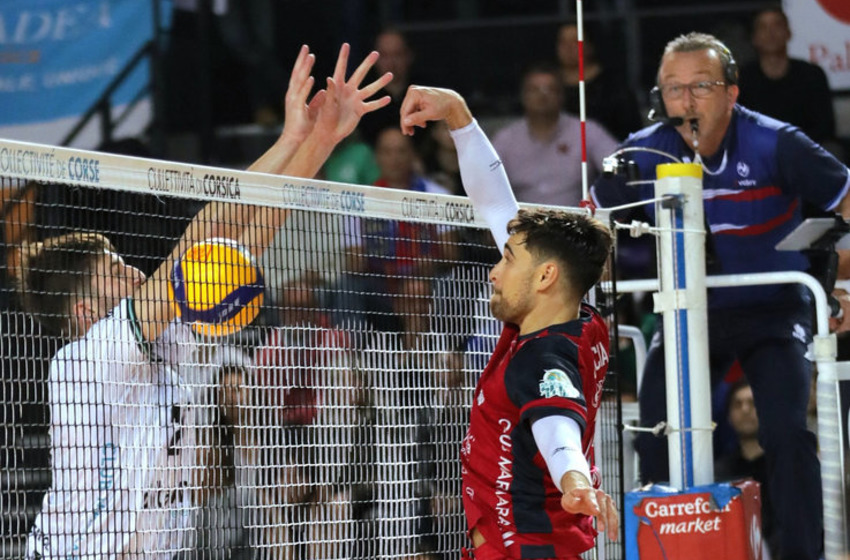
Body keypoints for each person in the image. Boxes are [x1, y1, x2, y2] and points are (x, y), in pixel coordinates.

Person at [20, 43, 393, 559]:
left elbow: (236, 248)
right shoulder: (89, 357)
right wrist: (289, 138)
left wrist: (318, 140)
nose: (129, 269)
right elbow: (203, 240)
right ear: (85, 312)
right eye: (111, 271)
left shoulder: (158, 343)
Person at [590, 32, 850, 560]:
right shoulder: (641, 152)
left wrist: (842, 283)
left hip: (774, 307)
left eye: (701, 87)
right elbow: (595, 225)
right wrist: (596, 272)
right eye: (673, 89)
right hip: (689, 310)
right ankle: (669, 549)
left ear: (732, 92)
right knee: (655, 433)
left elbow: (846, 202)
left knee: (784, 434)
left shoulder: (777, 142)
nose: (686, 102)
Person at [399, 85, 620, 559]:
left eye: (507, 260)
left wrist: (573, 477)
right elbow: (497, 205)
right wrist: (459, 116)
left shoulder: (542, 358)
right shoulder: (578, 317)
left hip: (525, 547)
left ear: (544, 276)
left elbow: (555, 425)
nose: (494, 272)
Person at [492, 62, 618, 207]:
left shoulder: (586, 130)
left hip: (577, 223)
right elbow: (485, 182)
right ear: (523, 96)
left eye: (550, 89)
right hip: (520, 224)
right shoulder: (505, 139)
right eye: (534, 89)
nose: (542, 95)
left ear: (561, 95)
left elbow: (617, 166)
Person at [738, 7, 837, 149]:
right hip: (759, 152)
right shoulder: (743, 79)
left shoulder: (812, 75)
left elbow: (825, 126)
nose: (771, 33)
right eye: (763, 27)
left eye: (777, 26)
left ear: (788, 33)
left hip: (806, 150)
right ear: (754, 38)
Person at [714, 379, 776, 557]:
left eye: (752, 403)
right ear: (728, 416)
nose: (745, 410)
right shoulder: (720, 472)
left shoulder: (784, 468)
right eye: (737, 404)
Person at [555, 23, 644, 141]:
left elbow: (631, 129)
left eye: (576, 42)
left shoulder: (613, 86)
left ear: (590, 46)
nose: (568, 48)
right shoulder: (549, 85)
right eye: (563, 42)